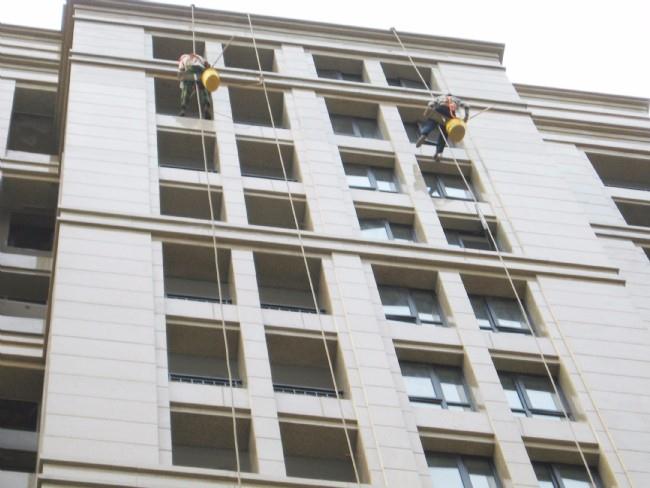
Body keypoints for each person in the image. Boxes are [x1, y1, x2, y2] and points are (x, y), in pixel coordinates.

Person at [416, 94, 469, 159]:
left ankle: (424, 134)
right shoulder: (456, 99)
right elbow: (466, 105)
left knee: (431, 123)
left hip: (439, 110)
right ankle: (439, 152)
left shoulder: (440, 97)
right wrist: (466, 116)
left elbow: (431, 103)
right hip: (449, 115)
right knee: (444, 133)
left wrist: (429, 109)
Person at [177, 53, 213, 120]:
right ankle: (206, 107)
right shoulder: (199, 57)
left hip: (190, 69)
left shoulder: (183, 59)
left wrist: (183, 82)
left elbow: (181, 71)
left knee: (186, 89)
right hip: (201, 70)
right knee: (204, 89)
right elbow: (207, 65)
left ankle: (183, 108)